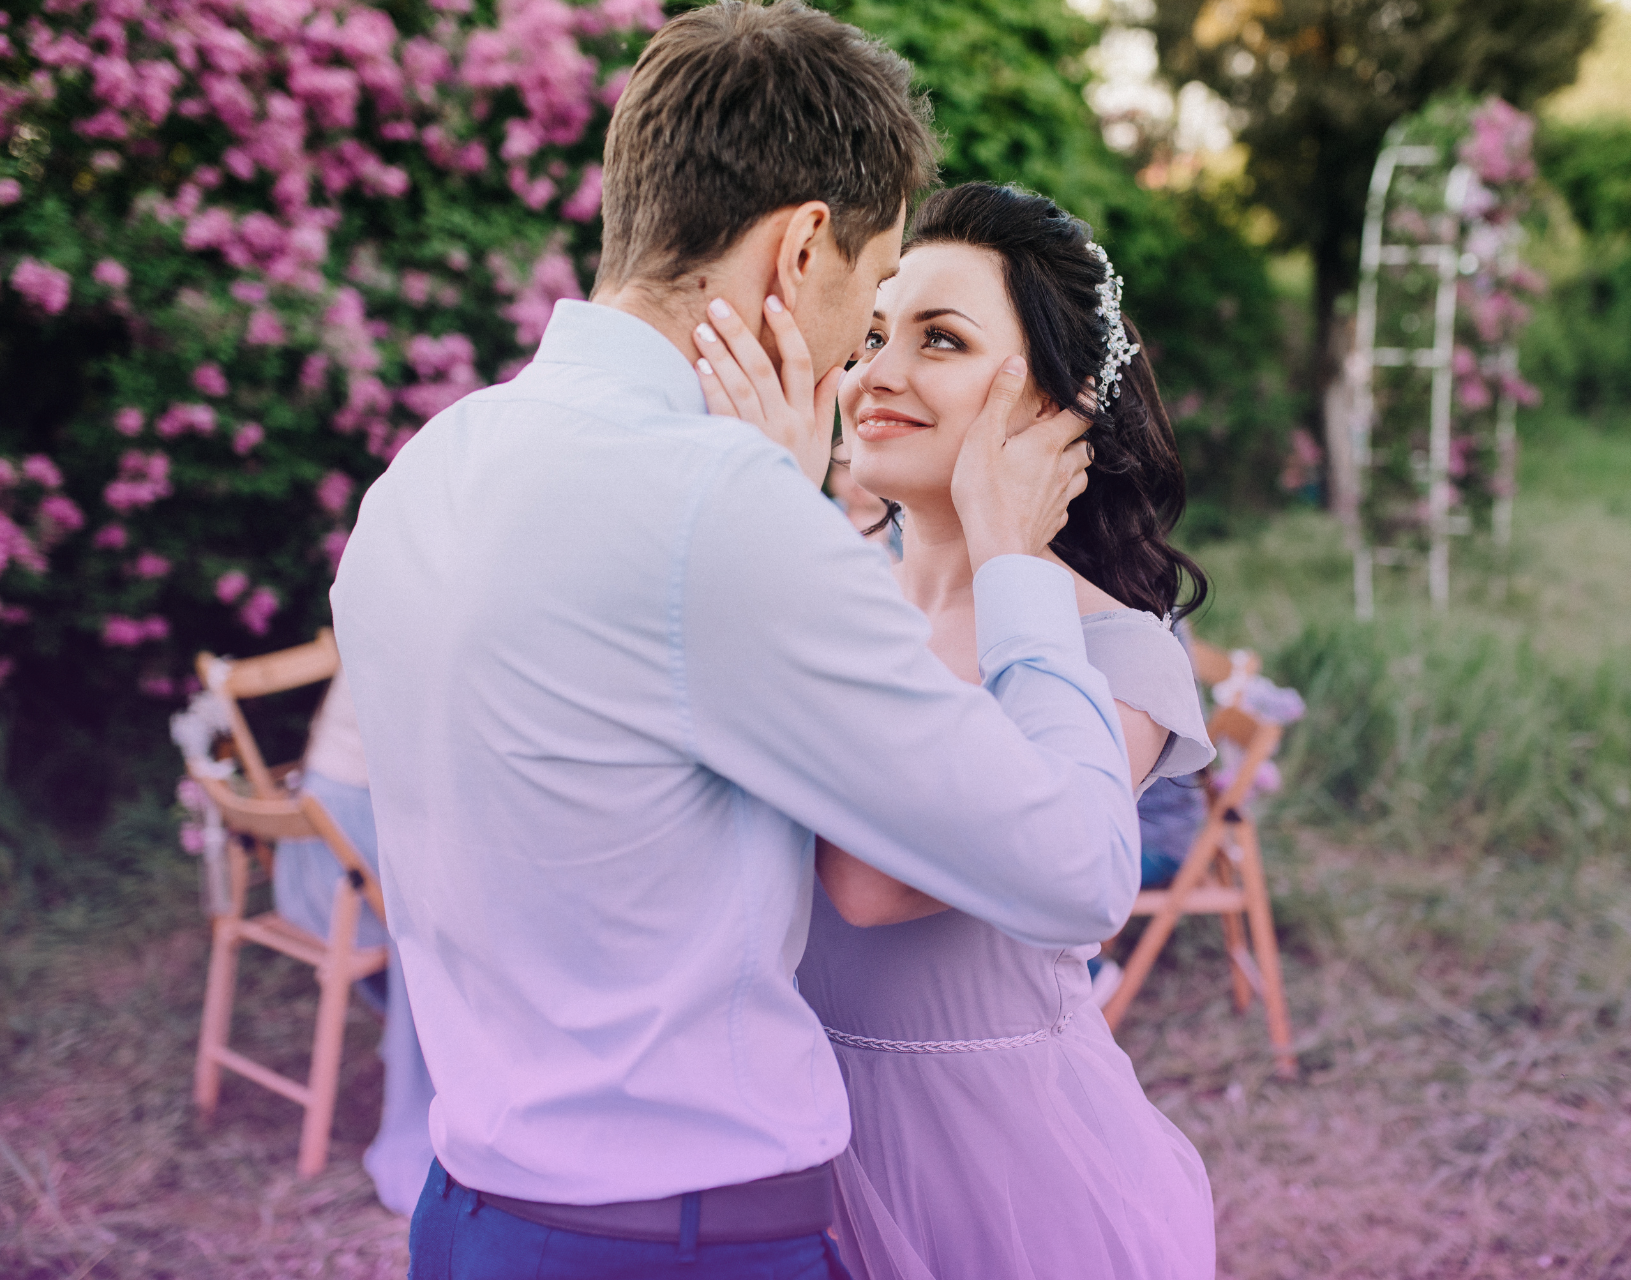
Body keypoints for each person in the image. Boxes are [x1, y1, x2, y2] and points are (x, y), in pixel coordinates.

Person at [329, 5, 1140, 1279]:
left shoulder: (418, 480)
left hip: (470, 1214)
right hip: (683, 1239)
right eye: (874, 296)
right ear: (805, 244)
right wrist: (1017, 572)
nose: (860, 351)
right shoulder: (719, 513)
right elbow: (1078, 870)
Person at [706, 183, 1217, 1278]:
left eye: (940, 339)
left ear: (1058, 400)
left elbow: (875, 883)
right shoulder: (824, 588)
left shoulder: (1117, 650)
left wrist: (998, 542)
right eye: (877, 331)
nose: (876, 373)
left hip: (991, 1168)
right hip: (779, 1132)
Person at [268, 674, 436, 1216]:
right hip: (348, 859)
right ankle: (442, 1100)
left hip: (318, 847)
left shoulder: (384, 603)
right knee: (437, 922)